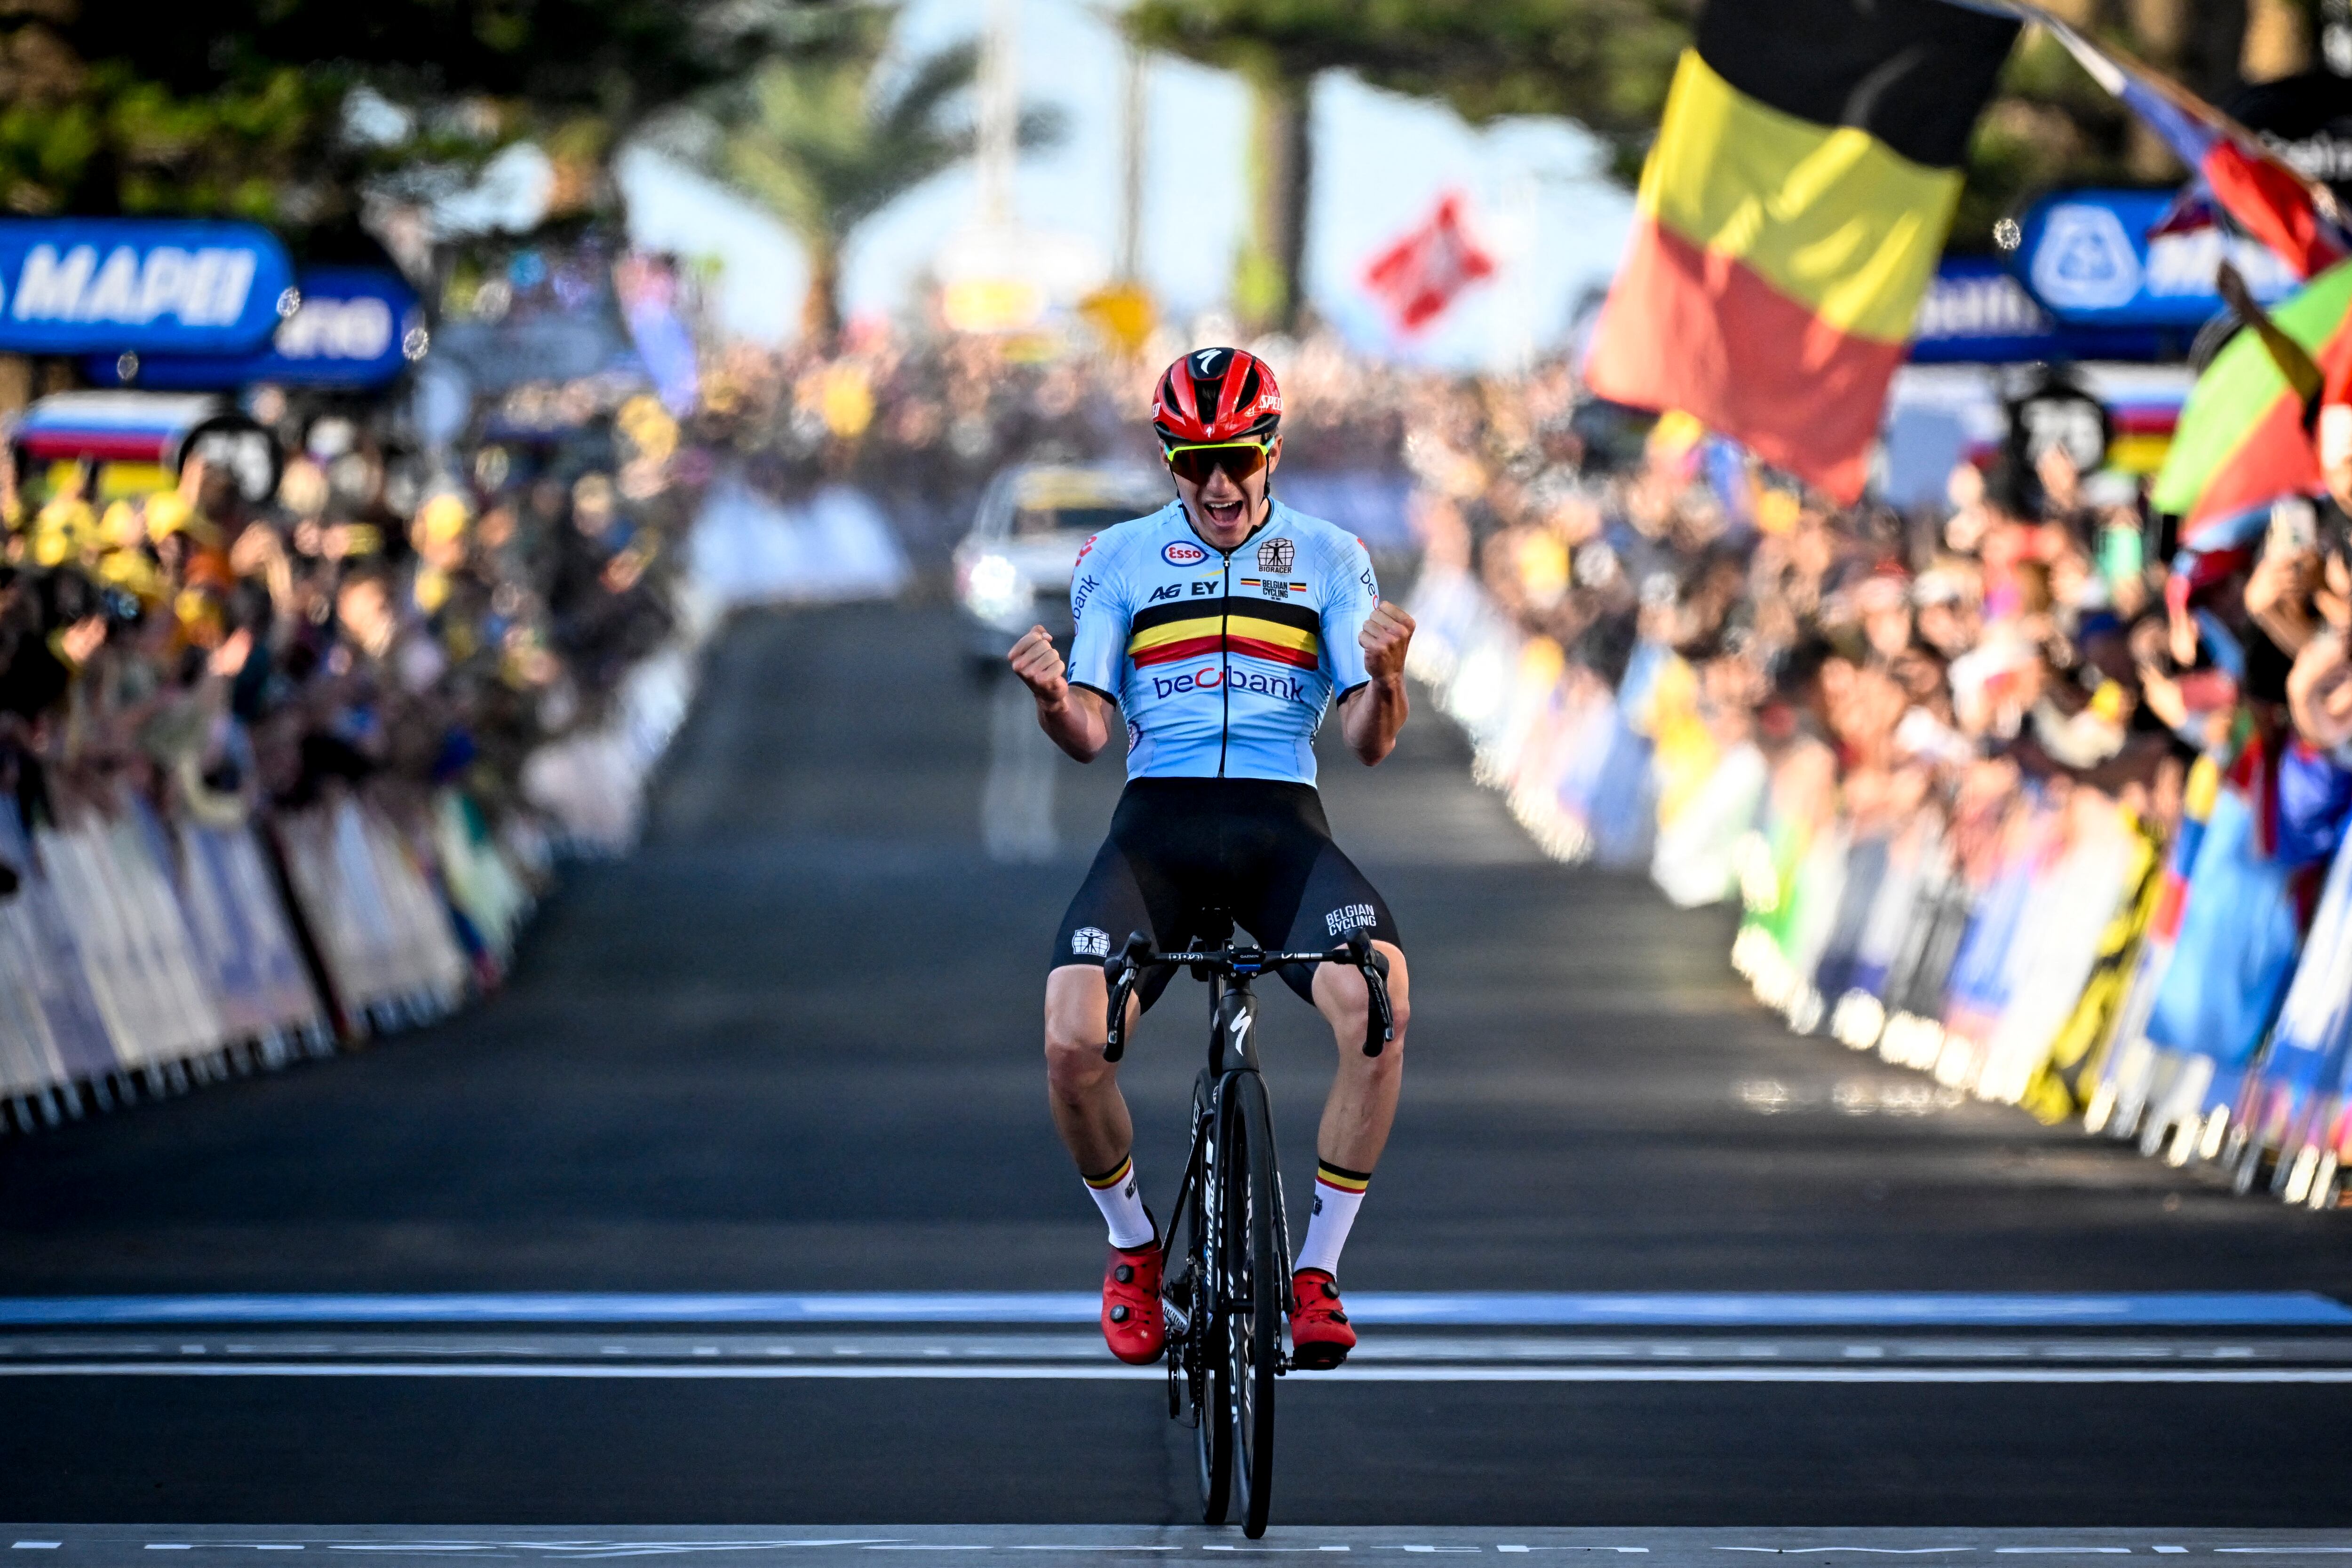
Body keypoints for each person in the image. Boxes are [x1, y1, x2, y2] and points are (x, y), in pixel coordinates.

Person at [1006, 347, 1415, 1370]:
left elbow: (1366, 739)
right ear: (1165, 459)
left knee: (1382, 1000)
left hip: (1284, 826)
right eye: (1193, 463)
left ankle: (1316, 1271)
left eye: (1236, 457)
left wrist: (1388, 678)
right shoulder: (1116, 558)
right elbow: (1093, 734)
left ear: (1270, 447)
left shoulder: (1331, 555)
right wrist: (1055, 698)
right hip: (1160, 832)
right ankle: (1134, 1249)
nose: (1220, 485)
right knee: (1069, 1037)